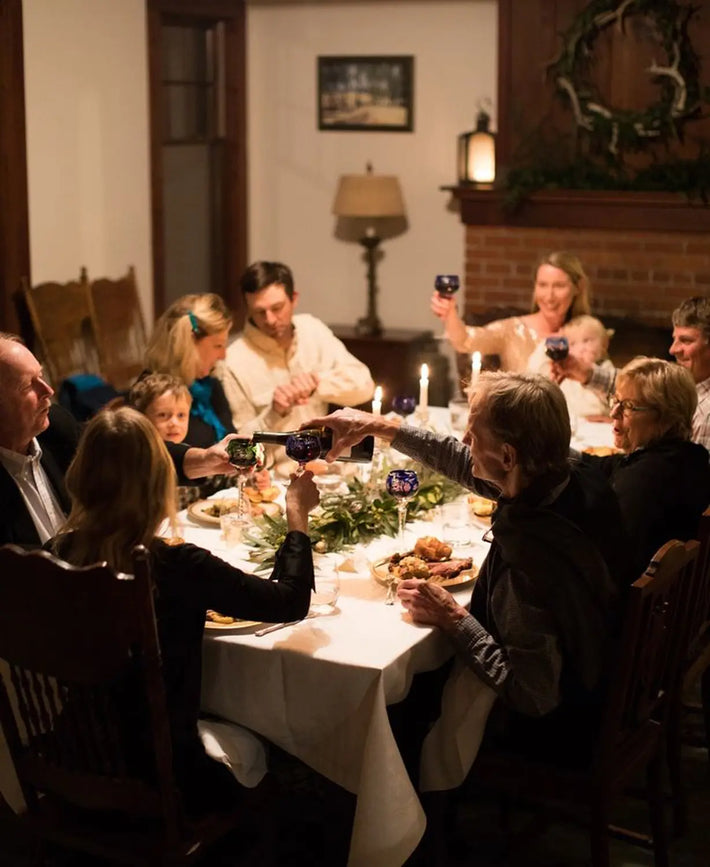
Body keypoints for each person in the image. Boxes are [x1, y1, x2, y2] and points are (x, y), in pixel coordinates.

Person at [306, 373, 628, 763]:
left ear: (508, 457)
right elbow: (466, 463)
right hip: (607, 679)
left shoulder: (528, 560)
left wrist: (453, 618)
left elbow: (534, 694)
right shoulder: (570, 477)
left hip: (551, 731)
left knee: (397, 690)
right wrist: (376, 425)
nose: (464, 443)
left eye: (474, 437)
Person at [49, 407, 319, 816]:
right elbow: (289, 602)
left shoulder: (56, 553)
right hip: (164, 773)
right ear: (160, 481)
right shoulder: (175, 564)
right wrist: (297, 517)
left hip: (73, 753)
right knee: (279, 751)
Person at [0, 333, 238, 548]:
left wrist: (205, 458)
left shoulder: (54, 427)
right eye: (27, 386)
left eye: (41, 376)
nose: (48, 391)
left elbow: (128, 449)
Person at [219, 261, 374, 474]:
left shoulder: (313, 329)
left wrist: (317, 384)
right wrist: (274, 412)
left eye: (277, 308)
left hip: (328, 467)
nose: (270, 319)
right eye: (259, 312)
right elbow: (240, 446)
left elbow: (365, 385)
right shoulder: (233, 361)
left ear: (294, 299)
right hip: (277, 478)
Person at [578, 357, 710, 578]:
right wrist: (559, 453)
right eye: (616, 400)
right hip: (666, 603)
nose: (614, 413)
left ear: (666, 419)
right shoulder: (687, 458)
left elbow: (604, 569)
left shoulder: (643, 483)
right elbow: (610, 464)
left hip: (620, 606)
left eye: (629, 406)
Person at [551, 295, 710, 449]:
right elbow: (640, 390)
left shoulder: (706, 415)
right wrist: (584, 372)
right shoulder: (685, 387)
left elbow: (692, 474)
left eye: (686, 340)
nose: (673, 349)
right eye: (674, 339)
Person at [430, 251, 591, 372]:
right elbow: (464, 340)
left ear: (578, 288)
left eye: (559, 286)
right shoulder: (513, 330)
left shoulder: (590, 334)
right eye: (542, 285)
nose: (549, 296)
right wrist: (449, 313)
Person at [144, 293, 236, 448]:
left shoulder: (209, 385)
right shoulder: (151, 394)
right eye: (218, 345)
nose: (223, 355)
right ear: (188, 343)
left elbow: (232, 439)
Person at [528, 314, 614, 418]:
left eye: (587, 341)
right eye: (572, 344)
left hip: (597, 424)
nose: (581, 348)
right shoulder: (563, 371)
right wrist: (548, 345)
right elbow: (535, 369)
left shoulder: (606, 368)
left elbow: (615, 394)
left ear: (604, 344)